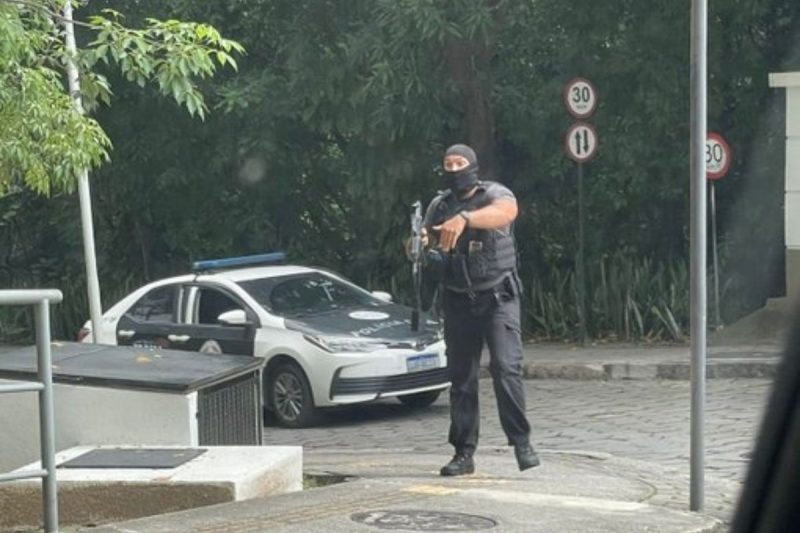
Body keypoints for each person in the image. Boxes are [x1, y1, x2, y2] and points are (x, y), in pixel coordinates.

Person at [419, 143, 539, 476]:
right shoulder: (439, 206)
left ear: (473, 166)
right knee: (461, 379)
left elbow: (506, 213)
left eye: (460, 163)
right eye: (448, 163)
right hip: (457, 299)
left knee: (505, 367)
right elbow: (421, 240)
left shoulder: (494, 194)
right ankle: (463, 453)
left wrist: (466, 218)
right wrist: (419, 246)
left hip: (498, 296)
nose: (454, 169)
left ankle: (522, 443)